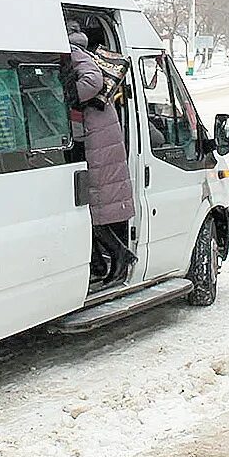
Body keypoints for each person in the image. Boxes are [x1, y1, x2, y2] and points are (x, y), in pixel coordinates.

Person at [67, 23, 137, 288]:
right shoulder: (78, 49)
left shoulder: (73, 52)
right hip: (99, 134)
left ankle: (120, 257)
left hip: (97, 138)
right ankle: (100, 263)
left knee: (95, 209)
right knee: (92, 208)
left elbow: (93, 81)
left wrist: (68, 98)